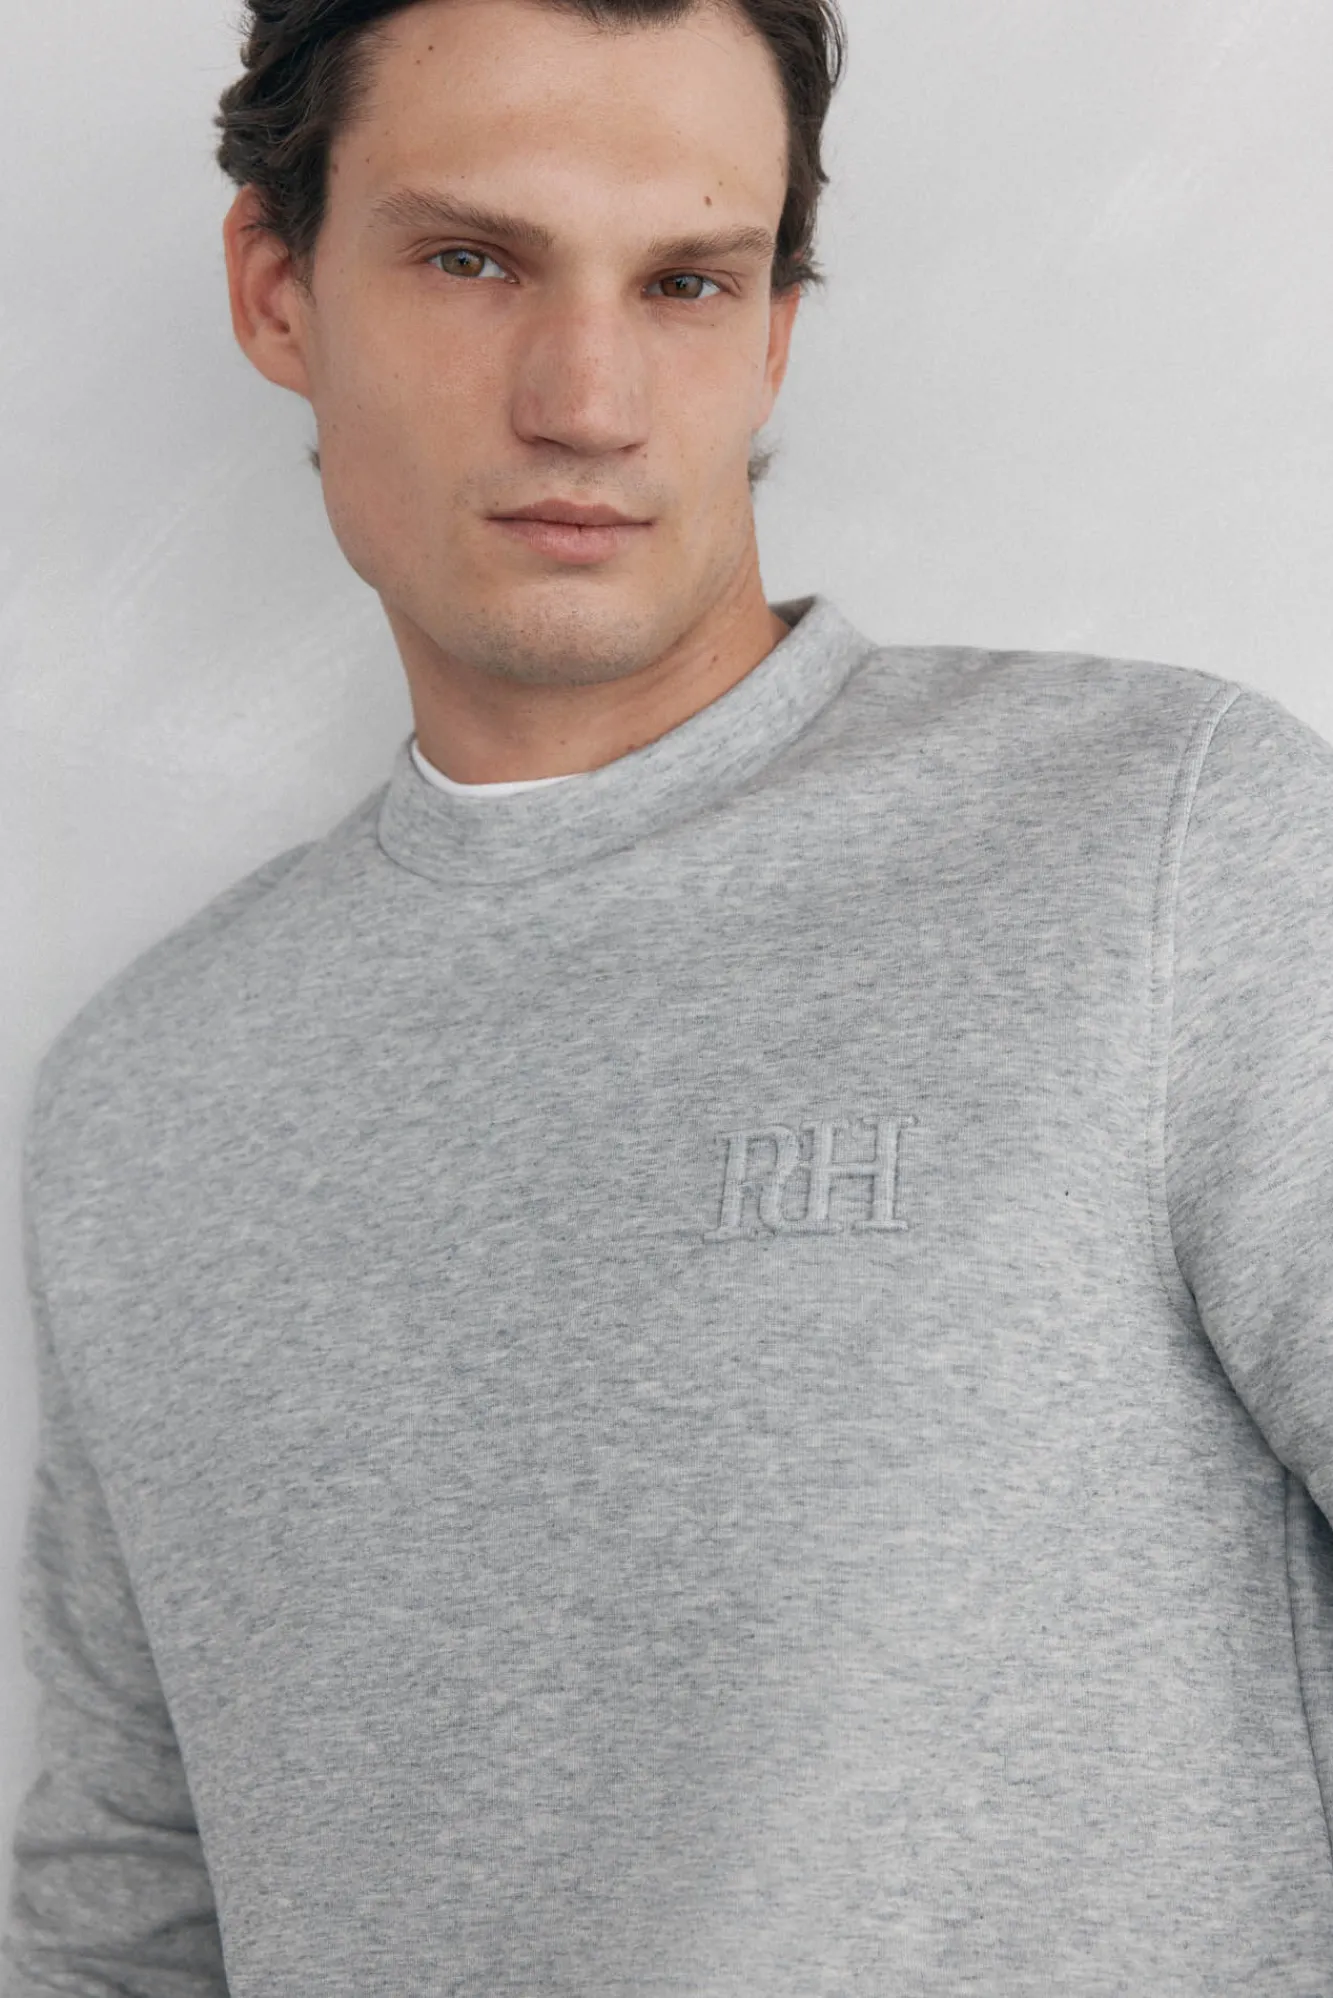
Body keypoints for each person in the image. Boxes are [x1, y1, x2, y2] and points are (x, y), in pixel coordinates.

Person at [5, 0, 1333, 1990]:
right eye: (476, 259)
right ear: (278, 288)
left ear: (774, 331)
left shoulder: (1170, 852)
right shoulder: (143, 1099)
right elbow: (127, 1915)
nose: (589, 398)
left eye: (688, 282)